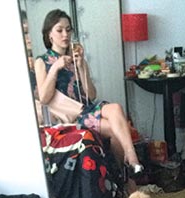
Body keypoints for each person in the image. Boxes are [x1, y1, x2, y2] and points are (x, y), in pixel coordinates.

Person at [33, 9, 145, 179]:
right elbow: (44, 98)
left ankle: (130, 160)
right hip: (72, 116)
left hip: (87, 109)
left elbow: (91, 95)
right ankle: (127, 175)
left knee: (115, 108)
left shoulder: (76, 58)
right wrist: (55, 68)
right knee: (117, 131)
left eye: (68, 29)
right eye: (59, 30)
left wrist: (81, 66)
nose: (65, 34)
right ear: (49, 34)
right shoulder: (42, 61)